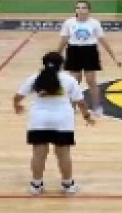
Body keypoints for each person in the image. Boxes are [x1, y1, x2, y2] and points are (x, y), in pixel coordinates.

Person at [14, 51, 93, 196]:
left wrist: (17, 106)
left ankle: (36, 185)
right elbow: (81, 102)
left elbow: (18, 97)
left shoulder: (34, 78)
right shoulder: (69, 80)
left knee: (38, 154)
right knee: (63, 154)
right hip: (62, 121)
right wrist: (87, 116)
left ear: (44, 63)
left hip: (39, 120)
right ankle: (68, 185)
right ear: (61, 65)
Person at [57, 1, 122, 115]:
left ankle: (97, 107)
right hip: (74, 51)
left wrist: (114, 58)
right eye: (78, 7)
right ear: (75, 10)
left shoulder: (94, 23)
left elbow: (103, 41)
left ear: (89, 10)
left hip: (90, 51)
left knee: (91, 81)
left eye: (84, 7)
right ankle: (72, 107)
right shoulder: (69, 23)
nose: (81, 10)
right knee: (74, 81)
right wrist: (55, 57)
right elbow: (63, 41)